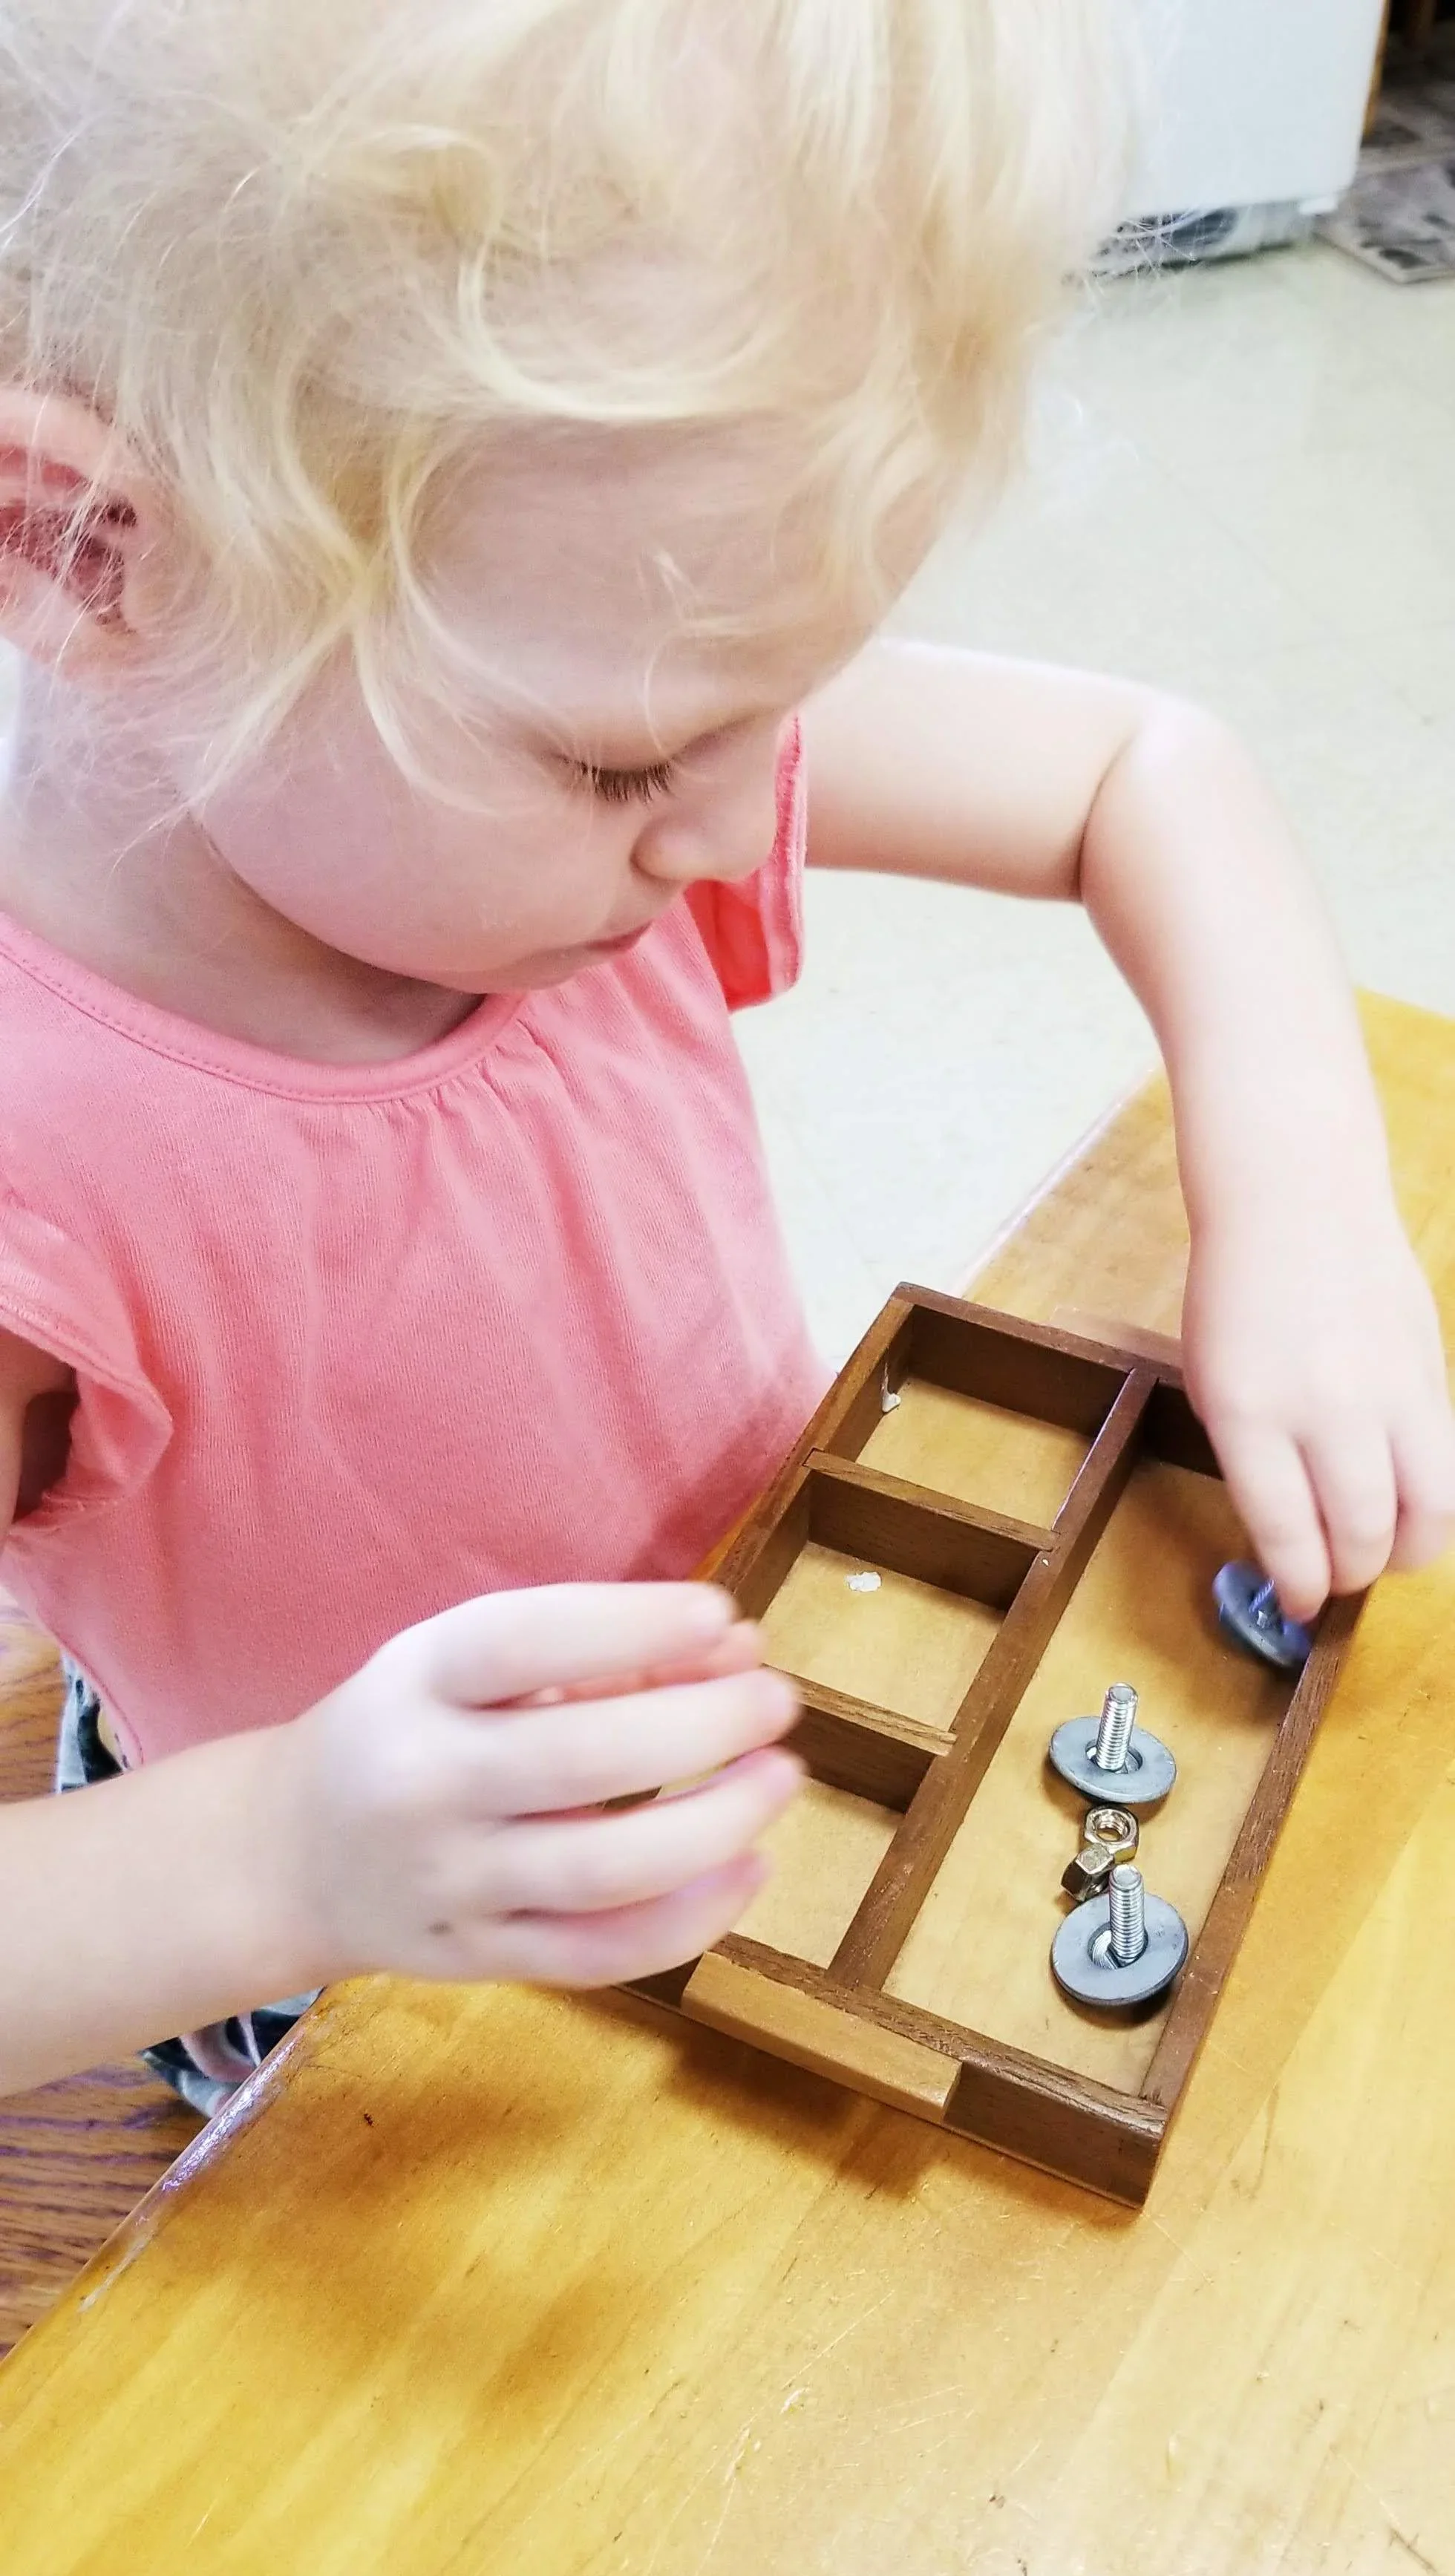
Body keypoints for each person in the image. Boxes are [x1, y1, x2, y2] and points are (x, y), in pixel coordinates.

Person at [0, 0, 1448, 2111]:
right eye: (631, 758)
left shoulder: (546, 675)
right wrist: (282, 1851)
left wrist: (1302, 1192)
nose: (735, 820)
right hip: (382, 1969)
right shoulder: (43, 1173)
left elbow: (1149, 763)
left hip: (765, 1680)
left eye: (794, 694)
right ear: (89, 551)